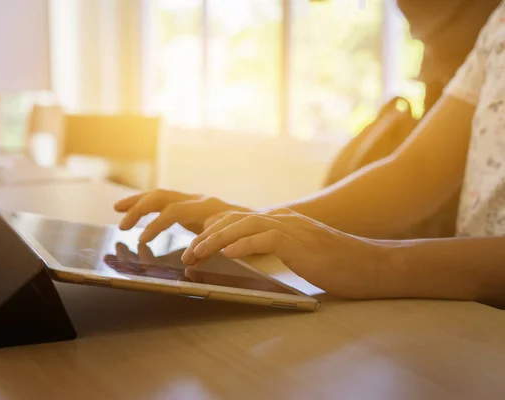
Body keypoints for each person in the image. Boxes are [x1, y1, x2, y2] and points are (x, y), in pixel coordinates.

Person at [114, 2, 505, 307]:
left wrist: (377, 263)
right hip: (474, 316)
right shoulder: (497, 26)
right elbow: (418, 172)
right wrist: (259, 221)